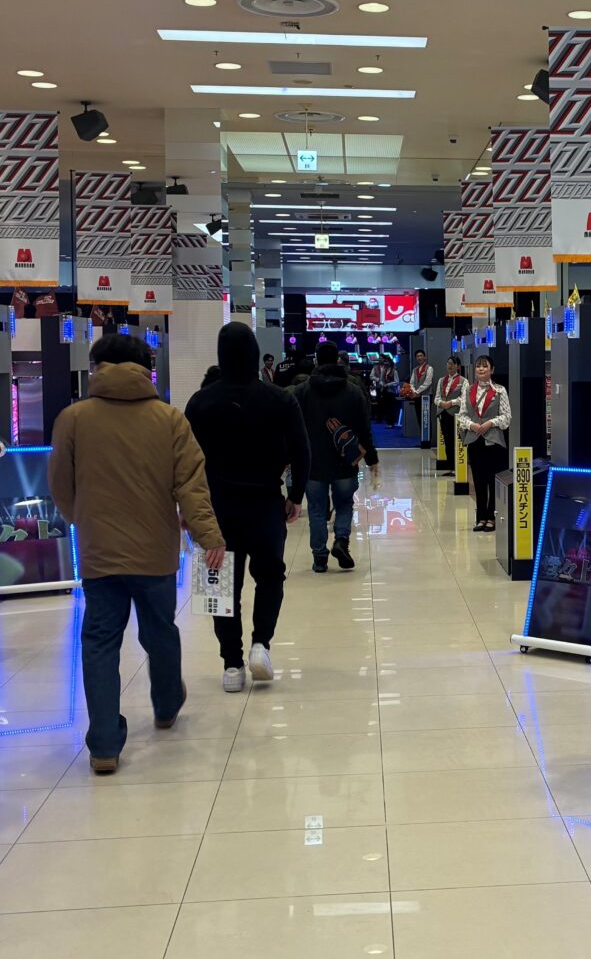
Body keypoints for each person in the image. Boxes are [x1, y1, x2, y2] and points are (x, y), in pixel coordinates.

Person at [48, 334, 225, 774]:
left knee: (100, 642)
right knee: (159, 630)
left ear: (98, 368)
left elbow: (60, 486)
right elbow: (192, 486)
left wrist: (84, 520)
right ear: (146, 368)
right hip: (155, 551)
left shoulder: (73, 419)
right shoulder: (169, 419)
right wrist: (210, 538)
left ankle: (104, 745)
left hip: (99, 552)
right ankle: (166, 704)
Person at [186, 324, 310, 693]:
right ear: (255, 353)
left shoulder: (199, 403)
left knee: (220, 586)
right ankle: (261, 645)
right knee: (270, 576)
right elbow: (301, 450)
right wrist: (295, 495)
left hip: (216, 509)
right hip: (265, 503)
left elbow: (185, 463)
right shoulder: (279, 399)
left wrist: (188, 508)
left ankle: (231, 665)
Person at [292, 341, 379, 573]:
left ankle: (320, 557)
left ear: (316, 360)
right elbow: (364, 428)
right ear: (338, 360)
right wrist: (371, 459)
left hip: (313, 462)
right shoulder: (353, 390)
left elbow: (294, 429)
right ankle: (341, 540)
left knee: (317, 509)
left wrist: (290, 458)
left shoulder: (302, 391)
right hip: (345, 459)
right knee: (344, 502)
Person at [457, 355, 511, 532]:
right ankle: (480, 517)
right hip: (475, 440)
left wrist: (490, 423)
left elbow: (506, 417)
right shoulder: (468, 390)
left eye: (485, 366)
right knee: (478, 480)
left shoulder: (500, 391)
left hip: (494, 441)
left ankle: (492, 517)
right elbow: (462, 415)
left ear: (492, 370)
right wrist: (471, 425)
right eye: (478, 366)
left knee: (493, 480)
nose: (481, 369)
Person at [434, 356, 468, 475]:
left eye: (452, 364)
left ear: (458, 366)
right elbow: (437, 397)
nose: (450, 366)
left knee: (456, 440)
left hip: (455, 415)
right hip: (443, 413)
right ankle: (450, 466)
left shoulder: (463, 381)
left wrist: (452, 402)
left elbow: (464, 398)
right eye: (448, 363)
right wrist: (441, 403)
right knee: (447, 440)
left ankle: (457, 467)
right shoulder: (441, 380)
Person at [404, 348, 435, 447]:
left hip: (426, 397)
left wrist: (417, 392)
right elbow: (412, 382)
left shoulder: (429, 368)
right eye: (417, 356)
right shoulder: (415, 370)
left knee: (426, 419)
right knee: (420, 419)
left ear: (425, 357)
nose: (419, 357)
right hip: (417, 397)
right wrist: (414, 391)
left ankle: (427, 442)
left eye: (421, 356)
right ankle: (423, 441)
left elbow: (428, 382)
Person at [370, 355, 399, 425]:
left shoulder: (394, 370)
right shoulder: (383, 370)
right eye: (385, 361)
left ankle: (392, 422)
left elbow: (397, 382)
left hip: (392, 391)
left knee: (392, 407)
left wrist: (388, 385)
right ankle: (388, 422)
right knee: (386, 406)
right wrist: (382, 384)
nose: (385, 363)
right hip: (384, 390)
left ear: (390, 362)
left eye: (387, 361)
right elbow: (381, 380)